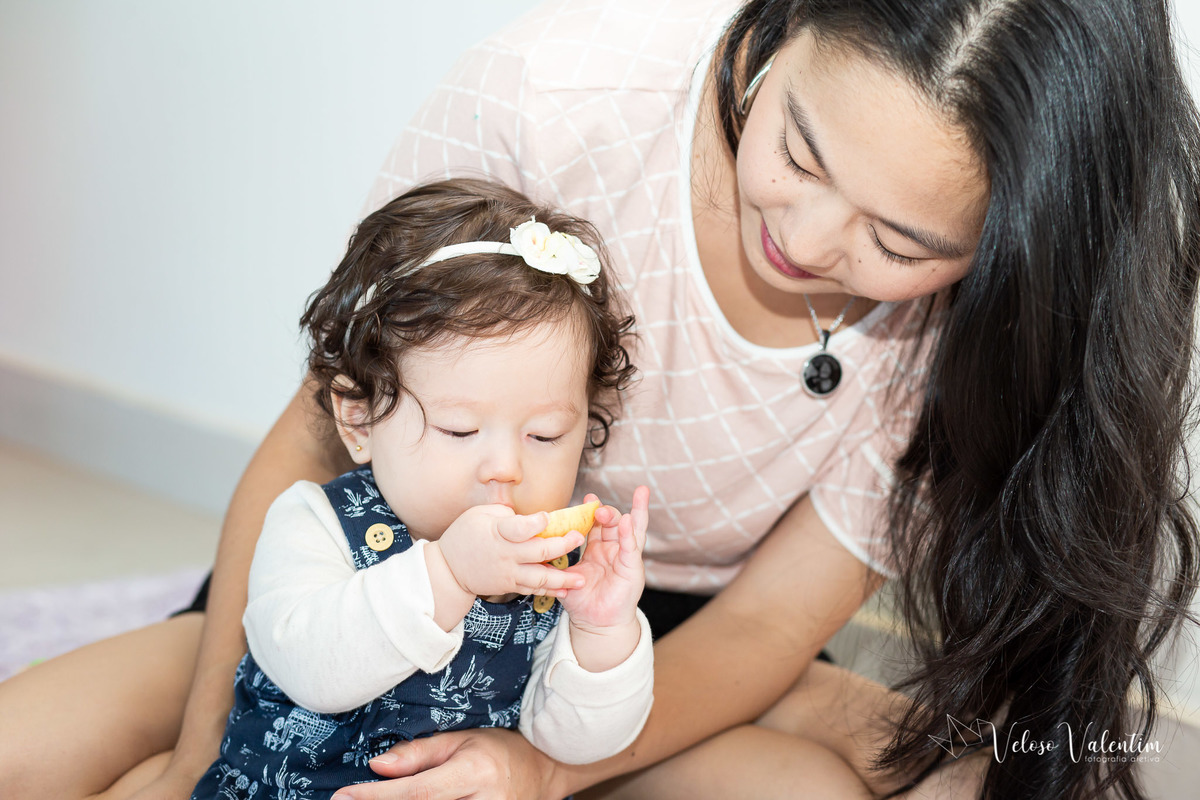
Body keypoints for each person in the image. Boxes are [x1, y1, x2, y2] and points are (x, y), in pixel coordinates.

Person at [1, 0, 1197, 798]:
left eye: (900, 237)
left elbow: (769, 625)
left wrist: (534, 766)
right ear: (782, 28)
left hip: (631, 629)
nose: (808, 237)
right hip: (365, 573)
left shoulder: (960, 331)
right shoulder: (556, 104)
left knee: (834, 773)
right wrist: (210, 762)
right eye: (801, 150)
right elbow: (314, 434)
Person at [187, 178, 653, 798]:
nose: (505, 467)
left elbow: (574, 742)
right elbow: (313, 667)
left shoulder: (551, 565)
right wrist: (448, 575)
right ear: (359, 420)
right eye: (460, 429)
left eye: (545, 436)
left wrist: (602, 633)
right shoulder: (315, 523)